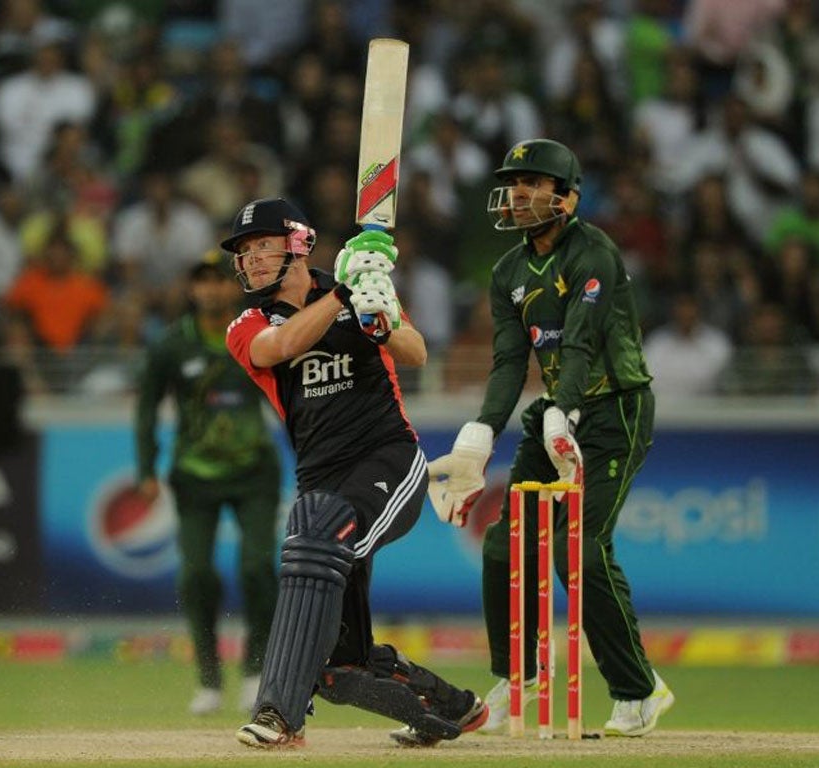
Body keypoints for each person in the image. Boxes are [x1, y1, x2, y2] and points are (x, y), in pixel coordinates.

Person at [426, 140, 674, 737]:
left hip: (615, 410)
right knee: (501, 547)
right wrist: (480, 432)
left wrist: (565, 410)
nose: (518, 193)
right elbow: (511, 361)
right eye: (514, 182)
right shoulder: (508, 271)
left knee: (579, 550)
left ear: (568, 197)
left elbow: (583, 342)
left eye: (534, 182)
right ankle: (520, 678)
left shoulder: (594, 252)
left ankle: (639, 691)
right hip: (557, 414)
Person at [222, 197, 487, 749]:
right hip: (321, 480)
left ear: (297, 243)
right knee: (338, 665)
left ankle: (278, 716)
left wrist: (380, 315)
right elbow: (282, 346)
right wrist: (344, 294)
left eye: (260, 246)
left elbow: (414, 354)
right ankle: (452, 706)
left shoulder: (364, 288)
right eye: (243, 253)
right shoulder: (247, 324)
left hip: (390, 459)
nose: (250, 260)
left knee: (314, 533)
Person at [134, 252, 282, 715]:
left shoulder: (258, 333)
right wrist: (145, 469)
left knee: (257, 568)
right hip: (194, 476)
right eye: (202, 282)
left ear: (233, 286)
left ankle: (257, 671)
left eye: (219, 281)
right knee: (196, 574)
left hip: (255, 469)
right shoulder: (172, 345)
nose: (211, 290)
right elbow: (145, 408)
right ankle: (209, 679)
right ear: (192, 290)